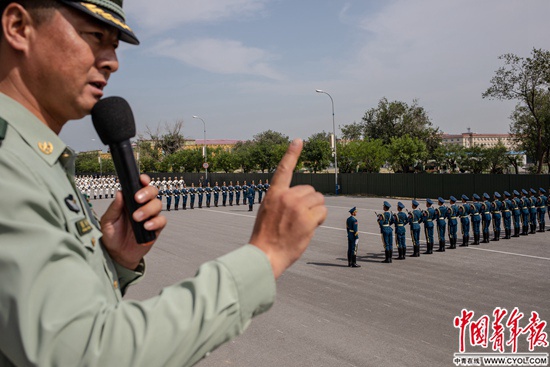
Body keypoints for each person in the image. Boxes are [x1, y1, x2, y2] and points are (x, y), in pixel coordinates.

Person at [0, 3, 327, 366]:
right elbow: (88, 353)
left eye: (115, 45)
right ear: (18, 27)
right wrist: (265, 255)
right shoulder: (8, 164)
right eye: (95, 36)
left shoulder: (33, 159)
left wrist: (115, 262)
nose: (111, 61)